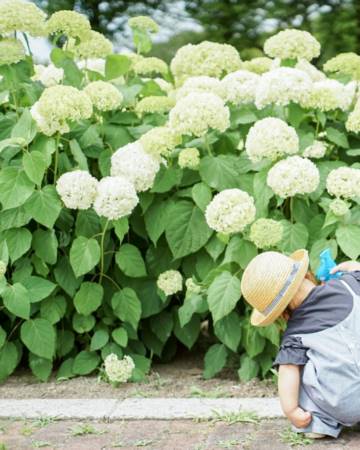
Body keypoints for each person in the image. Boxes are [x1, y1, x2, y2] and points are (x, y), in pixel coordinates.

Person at [240, 249, 360, 438]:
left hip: (344, 403)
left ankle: (318, 422)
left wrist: (292, 410)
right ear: (307, 275)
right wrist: (353, 268)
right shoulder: (350, 284)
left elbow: (288, 371)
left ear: (281, 314)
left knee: (298, 366)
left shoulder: (295, 334)